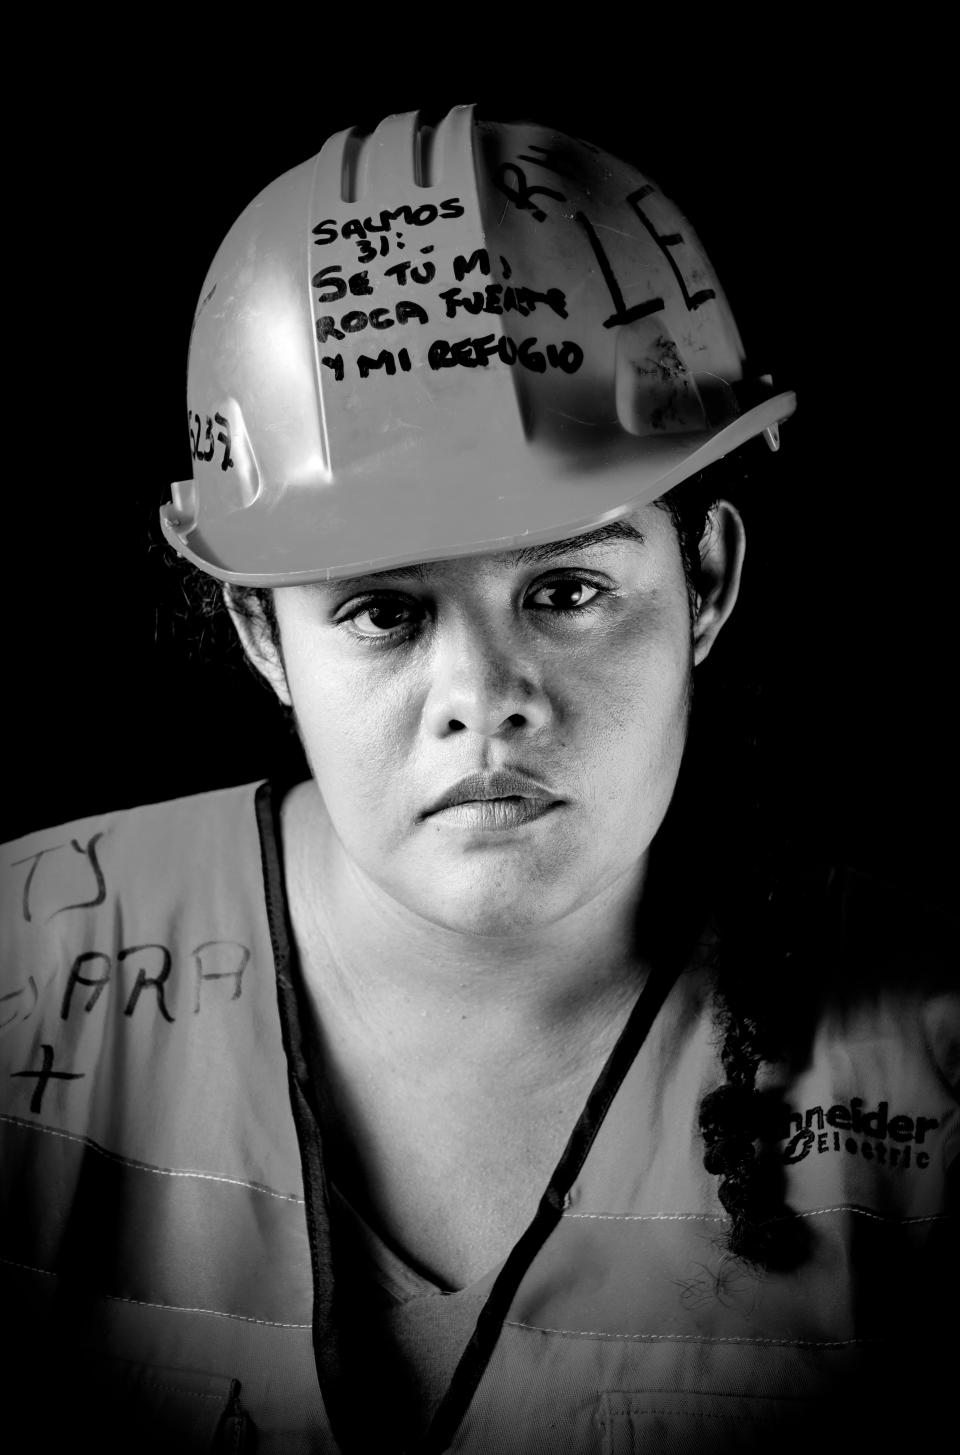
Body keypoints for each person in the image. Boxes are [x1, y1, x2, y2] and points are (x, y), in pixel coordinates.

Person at [1, 104, 955, 1454]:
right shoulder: (19, 976)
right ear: (261, 632)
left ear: (707, 583)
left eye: (566, 588)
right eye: (385, 613)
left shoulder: (933, 1066)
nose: (484, 699)